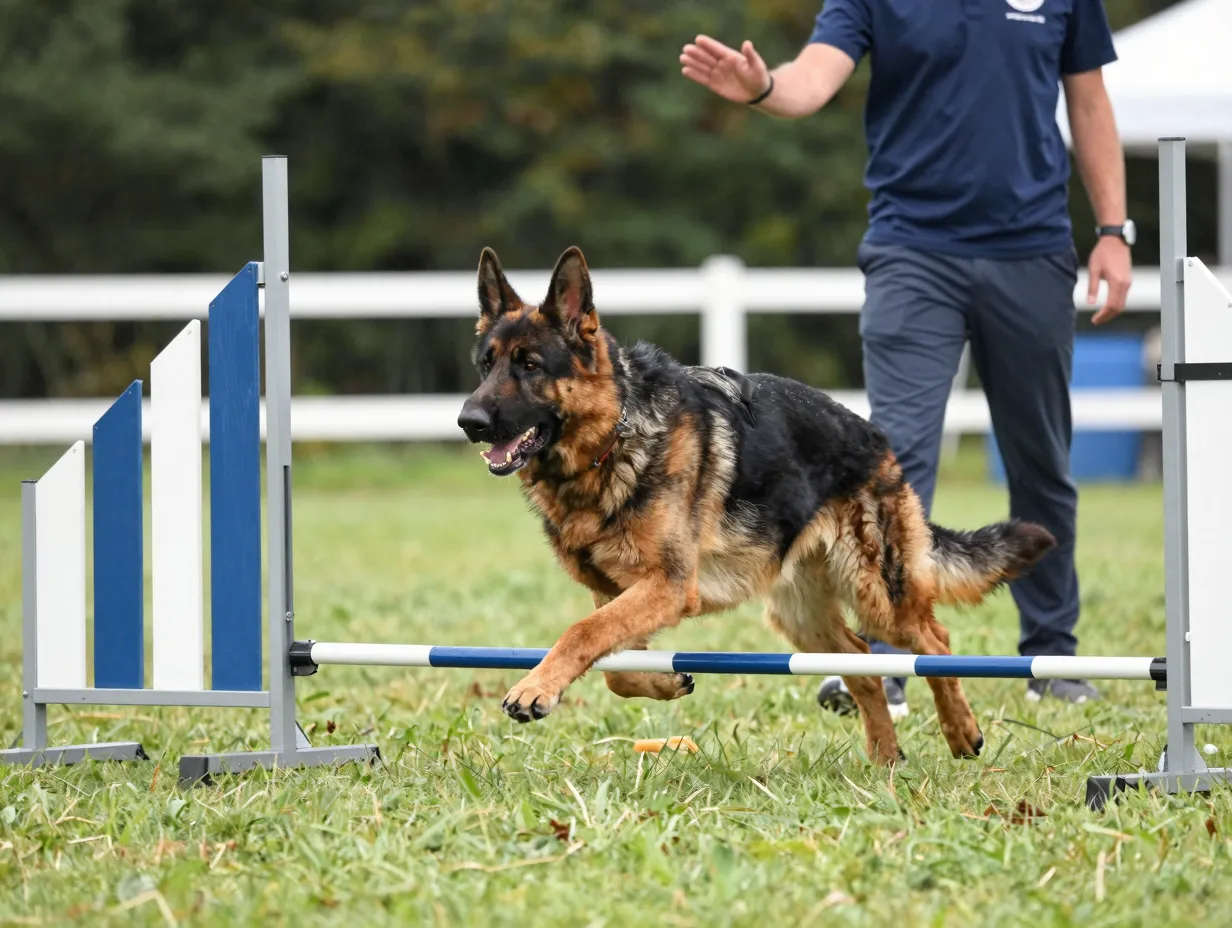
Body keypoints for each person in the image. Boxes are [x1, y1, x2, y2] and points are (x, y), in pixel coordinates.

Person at [680, 0, 1132, 717]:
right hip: (911, 254)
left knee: (1041, 458)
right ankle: (886, 659)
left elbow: (1088, 98)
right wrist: (765, 89)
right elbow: (812, 79)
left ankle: (1054, 654)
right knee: (893, 460)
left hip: (1032, 251)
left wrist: (1113, 229)